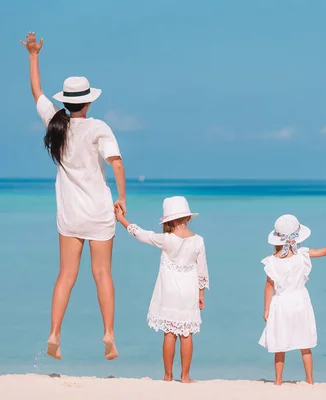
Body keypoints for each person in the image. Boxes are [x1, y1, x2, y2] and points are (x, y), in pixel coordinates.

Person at [21, 32, 126, 361]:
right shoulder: (99, 128)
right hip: (98, 212)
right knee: (103, 274)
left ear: (65, 100)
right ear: (89, 101)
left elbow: (37, 92)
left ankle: (54, 332)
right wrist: (121, 197)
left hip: (69, 213)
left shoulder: (55, 123)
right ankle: (108, 333)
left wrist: (33, 55)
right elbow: (116, 162)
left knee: (66, 275)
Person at [115, 196, 209, 383]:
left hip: (169, 292)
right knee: (187, 333)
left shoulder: (165, 240)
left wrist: (121, 219)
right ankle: (186, 376)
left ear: (167, 220)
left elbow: (140, 234)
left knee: (169, 333)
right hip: (189, 291)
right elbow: (202, 271)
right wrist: (201, 294)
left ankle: (167, 376)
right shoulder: (198, 241)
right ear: (188, 218)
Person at [259, 214, 326, 385]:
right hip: (300, 301)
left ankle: (278, 381)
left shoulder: (271, 262)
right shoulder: (302, 255)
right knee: (304, 343)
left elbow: (269, 286)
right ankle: (309, 380)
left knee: (280, 346)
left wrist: (266, 309)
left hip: (280, 304)